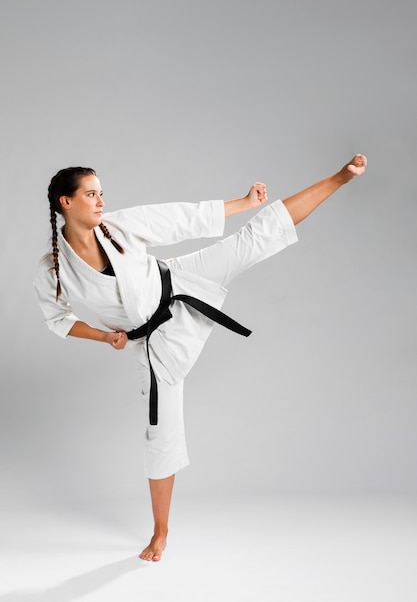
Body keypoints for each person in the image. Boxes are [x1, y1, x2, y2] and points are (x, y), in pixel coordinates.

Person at [33, 153, 367, 561]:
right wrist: (104, 336)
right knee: (161, 435)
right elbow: (58, 319)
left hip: (180, 283)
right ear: (65, 202)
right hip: (150, 344)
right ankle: (161, 533)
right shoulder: (52, 269)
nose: (101, 200)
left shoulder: (118, 226)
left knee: (255, 237)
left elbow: (178, 218)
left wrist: (242, 203)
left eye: (101, 192)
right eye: (91, 194)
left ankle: (338, 178)